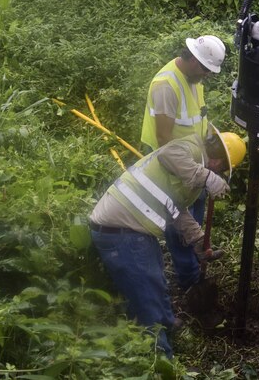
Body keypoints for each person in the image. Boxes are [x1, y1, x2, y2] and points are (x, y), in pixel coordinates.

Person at [89, 130, 246, 357]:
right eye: (221, 171)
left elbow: (175, 208)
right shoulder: (190, 148)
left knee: (157, 278)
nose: (218, 173)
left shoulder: (189, 173)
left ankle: (166, 321)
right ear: (218, 162)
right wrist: (207, 177)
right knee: (147, 296)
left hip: (134, 229)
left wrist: (197, 239)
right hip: (120, 231)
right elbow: (167, 154)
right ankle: (161, 358)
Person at [138, 34, 226, 291]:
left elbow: (200, 120)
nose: (208, 75)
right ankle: (189, 279)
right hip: (168, 162)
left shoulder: (194, 79)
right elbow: (164, 140)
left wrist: (211, 153)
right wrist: (190, 171)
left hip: (191, 158)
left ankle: (197, 251)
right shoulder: (166, 85)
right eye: (206, 70)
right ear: (194, 61)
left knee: (194, 208)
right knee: (177, 217)